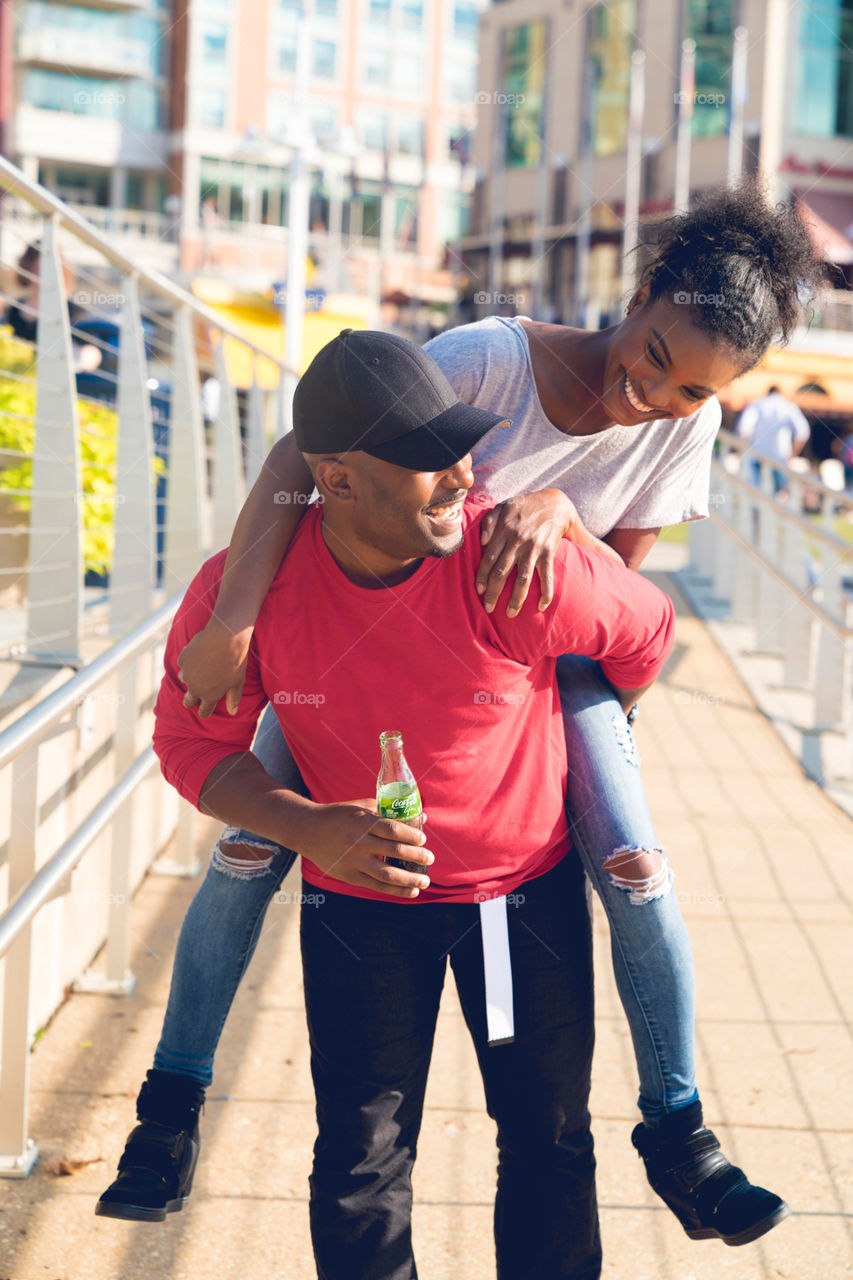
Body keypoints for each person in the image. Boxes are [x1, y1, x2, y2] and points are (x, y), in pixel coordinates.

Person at [98, 182, 817, 1244]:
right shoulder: (488, 357)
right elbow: (316, 448)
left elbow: (621, 589)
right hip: (363, 608)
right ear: (645, 291)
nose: (654, 392)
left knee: (631, 857)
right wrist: (240, 616)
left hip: (526, 624)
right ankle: (172, 1103)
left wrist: (561, 516)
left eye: (688, 388)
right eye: (655, 355)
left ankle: (676, 1123)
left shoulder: (685, 422)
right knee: (253, 839)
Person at [107, 328, 682, 1278]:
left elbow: (645, 631)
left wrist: (582, 708)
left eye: (459, 446)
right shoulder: (243, 598)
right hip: (361, 918)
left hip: (515, 910)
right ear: (333, 484)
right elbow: (190, 745)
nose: (462, 475)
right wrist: (302, 826)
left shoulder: (514, 567)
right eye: (424, 460)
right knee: (361, 1162)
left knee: (545, 1143)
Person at [736, 384, 811, 495]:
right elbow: (802, 433)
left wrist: (746, 450)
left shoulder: (757, 404)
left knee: (758, 494)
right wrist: (792, 455)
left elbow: (744, 430)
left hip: (758, 457)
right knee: (777, 496)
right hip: (780, 459)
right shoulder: (789, 406)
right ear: (780, 393)